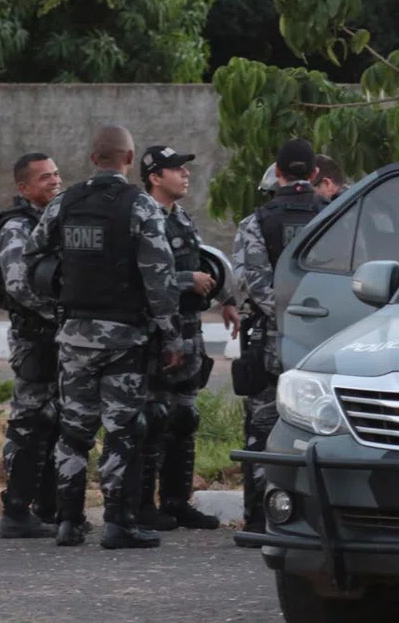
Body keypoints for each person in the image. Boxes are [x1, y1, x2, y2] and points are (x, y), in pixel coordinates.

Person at [23, 125, 184, 549]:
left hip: (74, 336)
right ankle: (118, 523)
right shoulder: (141, 207)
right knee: (122, 431)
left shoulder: (65, 202)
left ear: (93, 158)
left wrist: (59, 295)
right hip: (123, 340)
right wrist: (171, 336)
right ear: (129, 159)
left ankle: (69, 522)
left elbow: (33, 256)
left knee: (73, 432)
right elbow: (159, 277)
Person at [135, 145, 240, 531]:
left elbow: (201, 263)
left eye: (184, 168)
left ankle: (177, 501)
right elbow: (138, 276)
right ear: (154, 177)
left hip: (190, 332)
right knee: (153, 418)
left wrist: (225, 298)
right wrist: (185, 281)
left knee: (184, 417)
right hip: (159, 335)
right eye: (175, 169)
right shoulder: (142, 217)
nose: (185, 174)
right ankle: (144, 504)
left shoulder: (182, 218)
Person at [231, 137, 324, 546]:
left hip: (274, 341)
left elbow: (250, 282)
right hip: (326, 342)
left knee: (262, 428)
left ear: (278, 172)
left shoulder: (256, 221)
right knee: (322, 431)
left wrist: (286, 317)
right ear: (316, 173)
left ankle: (256, 519)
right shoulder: (335, 216)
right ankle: (316, 520)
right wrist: (315, 317)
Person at [0, 153, 63, 538]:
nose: (54, 182)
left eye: (56, 174)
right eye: (44, 178)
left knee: (54, 423)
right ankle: (16, 511)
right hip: (34, 338)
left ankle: (46, 508)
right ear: (24, 187)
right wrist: (64, 312)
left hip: (57, 337)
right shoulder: (17, 226)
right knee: (30, 424)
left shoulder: (53, 222)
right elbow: (19, 286)